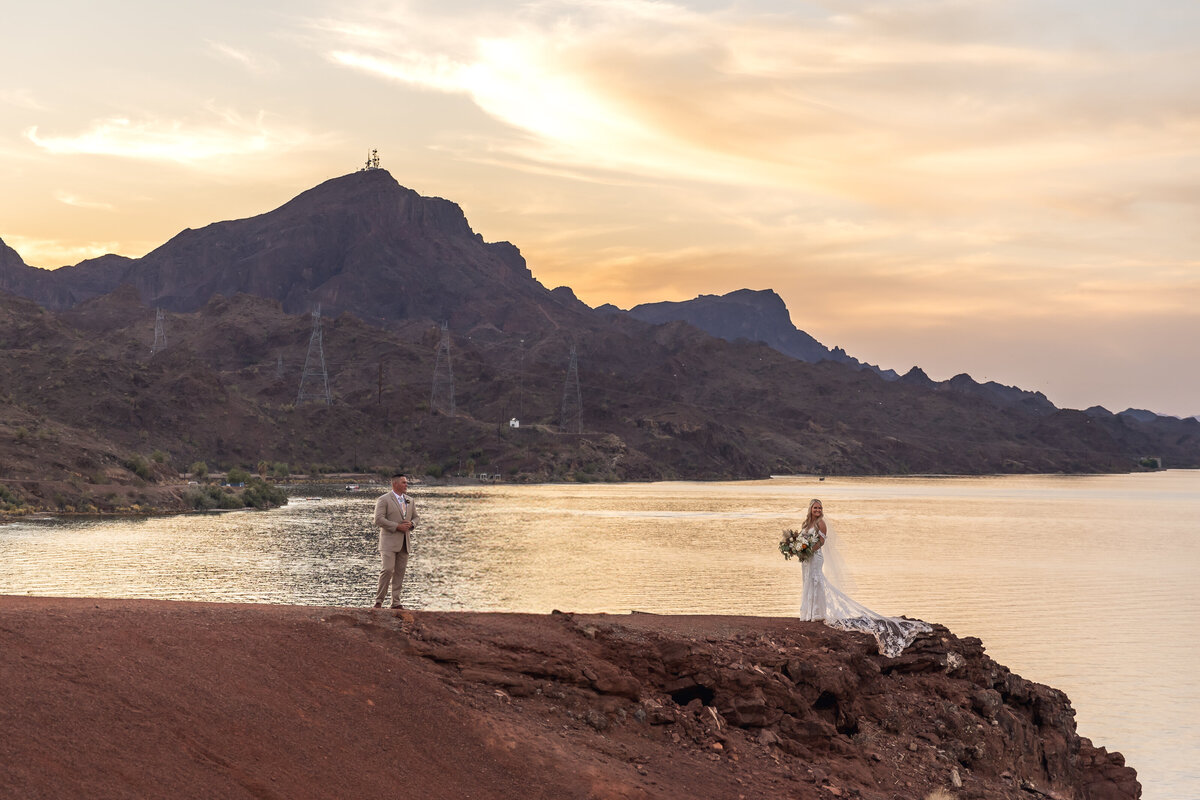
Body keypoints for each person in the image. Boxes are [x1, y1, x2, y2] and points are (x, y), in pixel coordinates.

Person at [797, 498, 931, 657]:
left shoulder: (821, 523)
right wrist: (800, 549)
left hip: (816, 556)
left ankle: (817, 613)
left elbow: (822, 541)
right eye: (815, 508)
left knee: (817, 581)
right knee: (808, 581)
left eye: (819, 508)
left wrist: (811, 550)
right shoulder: (806, 524)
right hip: (806, 558)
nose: (817, 510)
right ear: (810, 509)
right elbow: (801, 540)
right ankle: (808, 613)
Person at [373, 473, 418, 609]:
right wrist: (397, 526)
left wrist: (411, 524)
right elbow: (378, 519)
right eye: (404, 482)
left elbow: (416, 518)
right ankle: (379, 601)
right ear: (395, 484)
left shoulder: (410, 500)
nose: (406, 485)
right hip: (388, 543)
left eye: (406, 482)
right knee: (387, 570)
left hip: (405, 543)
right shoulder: (384, 499)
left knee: (400, 572)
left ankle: (396, 602)